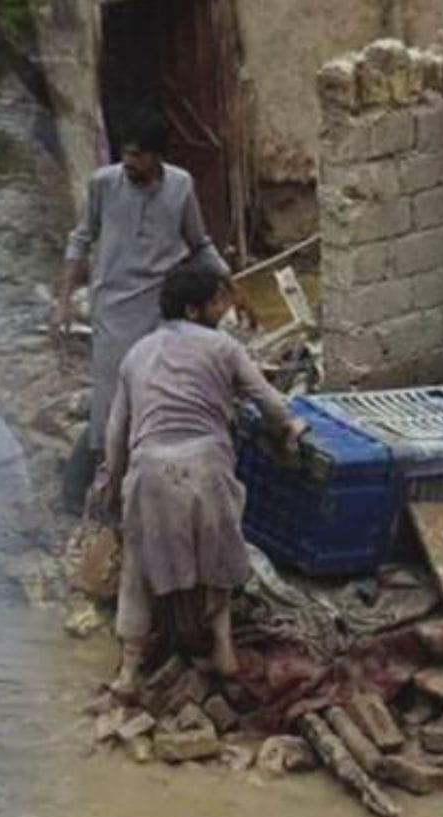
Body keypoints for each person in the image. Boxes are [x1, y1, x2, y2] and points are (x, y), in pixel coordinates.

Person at [97, 265, 304, 698]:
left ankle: (129, 672)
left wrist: (113, 483)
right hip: (208, 465)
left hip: (151, 469)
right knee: (220, 559)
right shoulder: (224, 347)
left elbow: (117, 431)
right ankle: (224, 652)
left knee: (138, 568)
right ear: (194, 309)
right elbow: (268, 401)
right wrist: (290, 427)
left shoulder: (137, 353)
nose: (224, 309)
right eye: (217, 302)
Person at [55, 112, 234, 513]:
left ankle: (145, 487)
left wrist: (231, 285)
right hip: (113, 309)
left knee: (156, 395)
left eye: (137, 155)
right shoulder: (104, 184)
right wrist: (64, 300)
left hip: (160, 309)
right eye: (125, 154)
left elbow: (199, 243)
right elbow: (80, 240)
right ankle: (93, 488)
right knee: (109, 402)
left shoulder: (181, 186)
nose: (129, 162)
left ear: (157, 157)